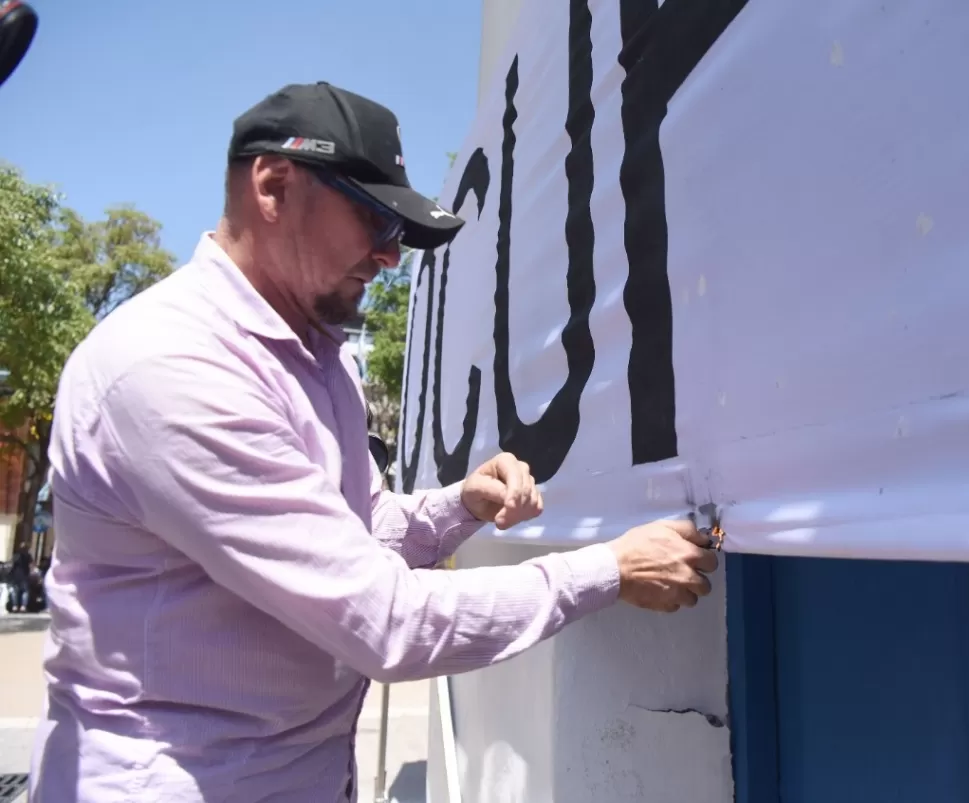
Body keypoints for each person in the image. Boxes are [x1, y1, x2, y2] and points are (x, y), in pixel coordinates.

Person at [29, 82, 717, 802]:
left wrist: (459, 506)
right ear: (273, 187)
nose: (390, 255)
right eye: (374, 218)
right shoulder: (175, 367)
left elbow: (355, 527)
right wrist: (609, 569)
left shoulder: (319, 358)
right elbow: (385, 622)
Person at [7, 540, 31, 612]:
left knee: (15, 591)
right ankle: (23, 606)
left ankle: (15, 606)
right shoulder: (28, 556)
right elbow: (31, 565)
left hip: (15, 576)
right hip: (24, 575)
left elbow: (10, 565)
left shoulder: (16, 555)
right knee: (25, 591)